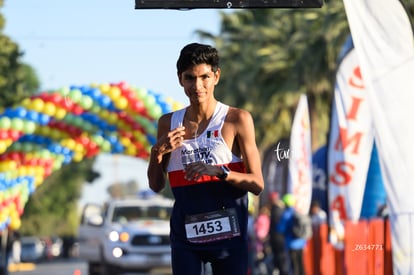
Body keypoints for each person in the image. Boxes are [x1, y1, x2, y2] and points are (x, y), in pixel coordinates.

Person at [147, 43, 265, 275]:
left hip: (229, 235)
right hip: (186, 236)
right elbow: (156, 185)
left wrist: (220, 172)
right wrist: (156, 152)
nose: (197, 86)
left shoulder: (236, 119)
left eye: (204, 77)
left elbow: (258, 184)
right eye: (190, 78)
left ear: (216, 76)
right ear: (180, 79)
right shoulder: (168, 123)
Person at [277, 194, 307, 275]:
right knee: (301, 265)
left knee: (294, 266)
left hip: (291, 244)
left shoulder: (286, 214)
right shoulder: (298, 212)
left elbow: (280, 229)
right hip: (301, 243)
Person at [269, 192, 289, 275]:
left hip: (277, 238)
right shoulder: (281, 209)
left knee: (280, 259)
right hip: (280, 237)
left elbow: (277, 225)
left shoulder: (276, 209)